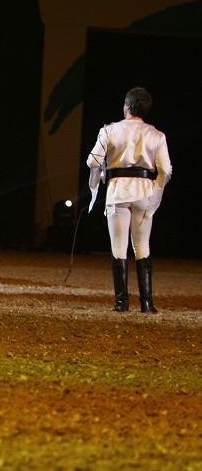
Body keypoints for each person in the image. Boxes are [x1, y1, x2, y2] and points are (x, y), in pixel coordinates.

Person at [86, 87, 172, 313]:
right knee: (142, 245)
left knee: (119, 247)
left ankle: (122, 302)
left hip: (118, 191)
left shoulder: (109, 131)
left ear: (127, 106)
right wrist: (156, 193)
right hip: (144, 192)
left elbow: (92, 162)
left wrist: (99, 179)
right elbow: (166, 170)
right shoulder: (157, 135)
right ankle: (146, 302)